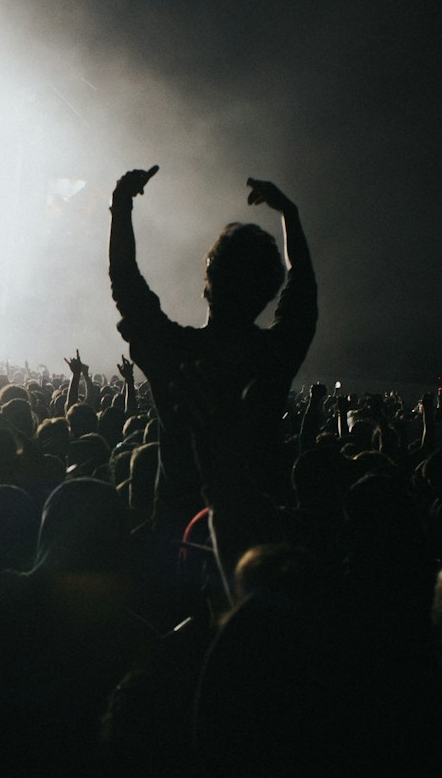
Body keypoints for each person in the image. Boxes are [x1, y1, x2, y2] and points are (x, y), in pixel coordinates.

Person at [107, 166, 316, 525]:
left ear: (207, 285)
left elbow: (125, 277)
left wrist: (121, 204)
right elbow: (303, 289)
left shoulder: (174, 351)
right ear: (267, 293)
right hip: (251, 534)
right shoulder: (274, 356)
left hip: (178, 533)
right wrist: (290, 214)